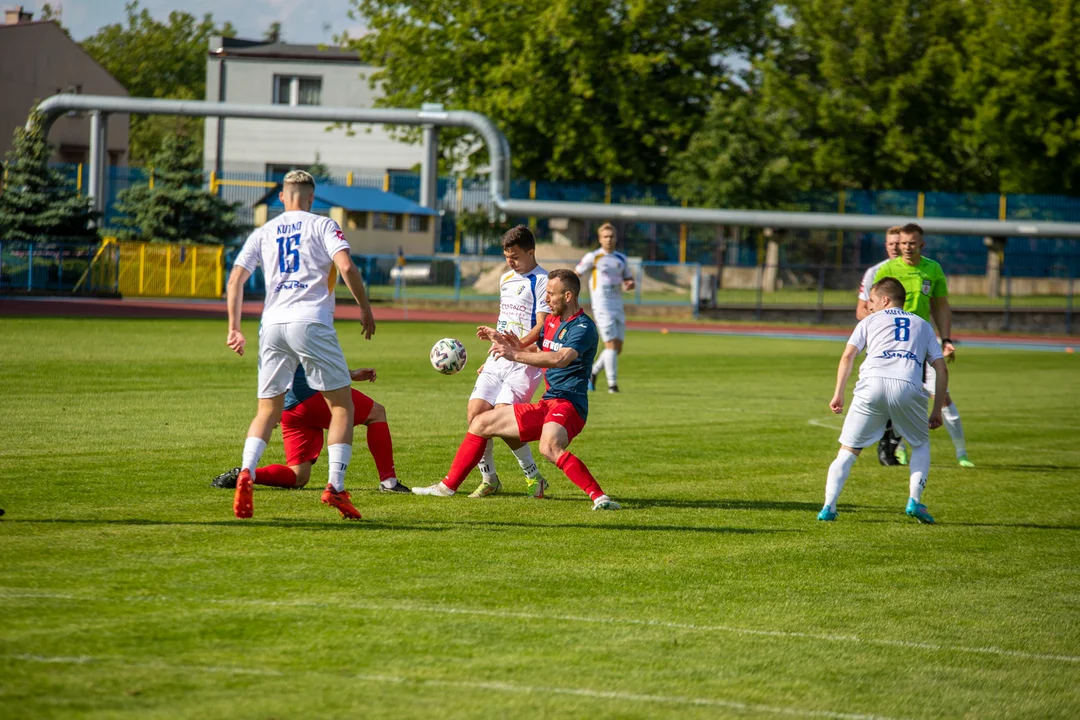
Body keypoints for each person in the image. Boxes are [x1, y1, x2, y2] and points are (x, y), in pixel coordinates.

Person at [225, 169, 376, 520]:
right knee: (342, 406)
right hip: (310, 321)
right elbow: (347, 266)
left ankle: (247, 470)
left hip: (272, 325)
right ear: (311, 197)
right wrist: (364, 308)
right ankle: (336, 488)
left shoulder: (263, 232)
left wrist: (234, 328)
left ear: (281, 196)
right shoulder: (322, 225)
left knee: (267, 410)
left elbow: (235, 279)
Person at [412, 269, 621, 510]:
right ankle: (446, 488)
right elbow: (535, 351)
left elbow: (560, 358)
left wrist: (514, 354)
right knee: (480, 422)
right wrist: (503, 343)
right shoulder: (551, 322)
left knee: (548, 447)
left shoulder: (583, 327)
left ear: (568, 296)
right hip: (547, 404)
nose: (546, 299)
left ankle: (600, 497)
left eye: (551, 294)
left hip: (569, 405)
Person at [821, 278, 948, 524]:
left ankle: (829, 506)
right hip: (908, 387)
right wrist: (936, 410)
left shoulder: (868, 321)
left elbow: (848, 356)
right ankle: (914, 500)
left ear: (885, 300)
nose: (869, 305)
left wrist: (839, 393)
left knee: (848, 450)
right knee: (920, 445)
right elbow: (941, 369)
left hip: (871, 386)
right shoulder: (922, 325)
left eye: (872, 300)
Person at [210, 365, 408, 493]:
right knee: (377, 413)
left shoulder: (276, 320)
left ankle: (247, 474)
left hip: (289, 406)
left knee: (298, 476)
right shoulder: (310, 316)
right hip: (312, 395)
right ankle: (388, 482)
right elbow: (320, 363)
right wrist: (351, 374)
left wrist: (274, 405)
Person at [874, 223, 974, 468]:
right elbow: (873, 307)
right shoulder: (887, 270)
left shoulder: (932, 268)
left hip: (923, 342)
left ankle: (961, 452)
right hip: (896, 347)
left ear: (921, 244)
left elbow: (940, 306)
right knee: (901, 398)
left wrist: (946, 339)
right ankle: (900, 448)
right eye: (903, 243)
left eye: (911, 243)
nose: (907, 247)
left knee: (943, 396)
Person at [468, 226, 550, 499]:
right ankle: (489, 479)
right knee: (476, 414)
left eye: (515, 256)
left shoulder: (542, 281)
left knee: (503, 416)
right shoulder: (505, 279)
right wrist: (493, 350)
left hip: (526, 360)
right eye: (506, 256)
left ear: (531, 251)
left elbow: (541, 325)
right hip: (499, 356)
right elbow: (505, 321)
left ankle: (533, 476)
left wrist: (516, 348)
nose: (510, 262)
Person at [856, 227, 904, 465]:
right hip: (883, 347)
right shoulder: (876, 272)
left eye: (900, 243)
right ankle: (884, 442)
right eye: (891, 243)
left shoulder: (922, 270)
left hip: (911, 346)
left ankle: (893, 442)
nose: (896, 247)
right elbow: (861, 310)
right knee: (881, 397)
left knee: (908, 396)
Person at [575, 223, 635, 393]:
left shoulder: (621, 259)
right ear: (600, 239)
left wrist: (629, 284)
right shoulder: (593, 257)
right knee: (610, 346)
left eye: (611, 236)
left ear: (616, 238)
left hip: (618, 306)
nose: (609, 239)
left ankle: (593, 372)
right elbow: (576, 274)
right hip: (602, 306)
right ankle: (612, 385)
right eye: (605, 236)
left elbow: (629, 280)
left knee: (617, 348)